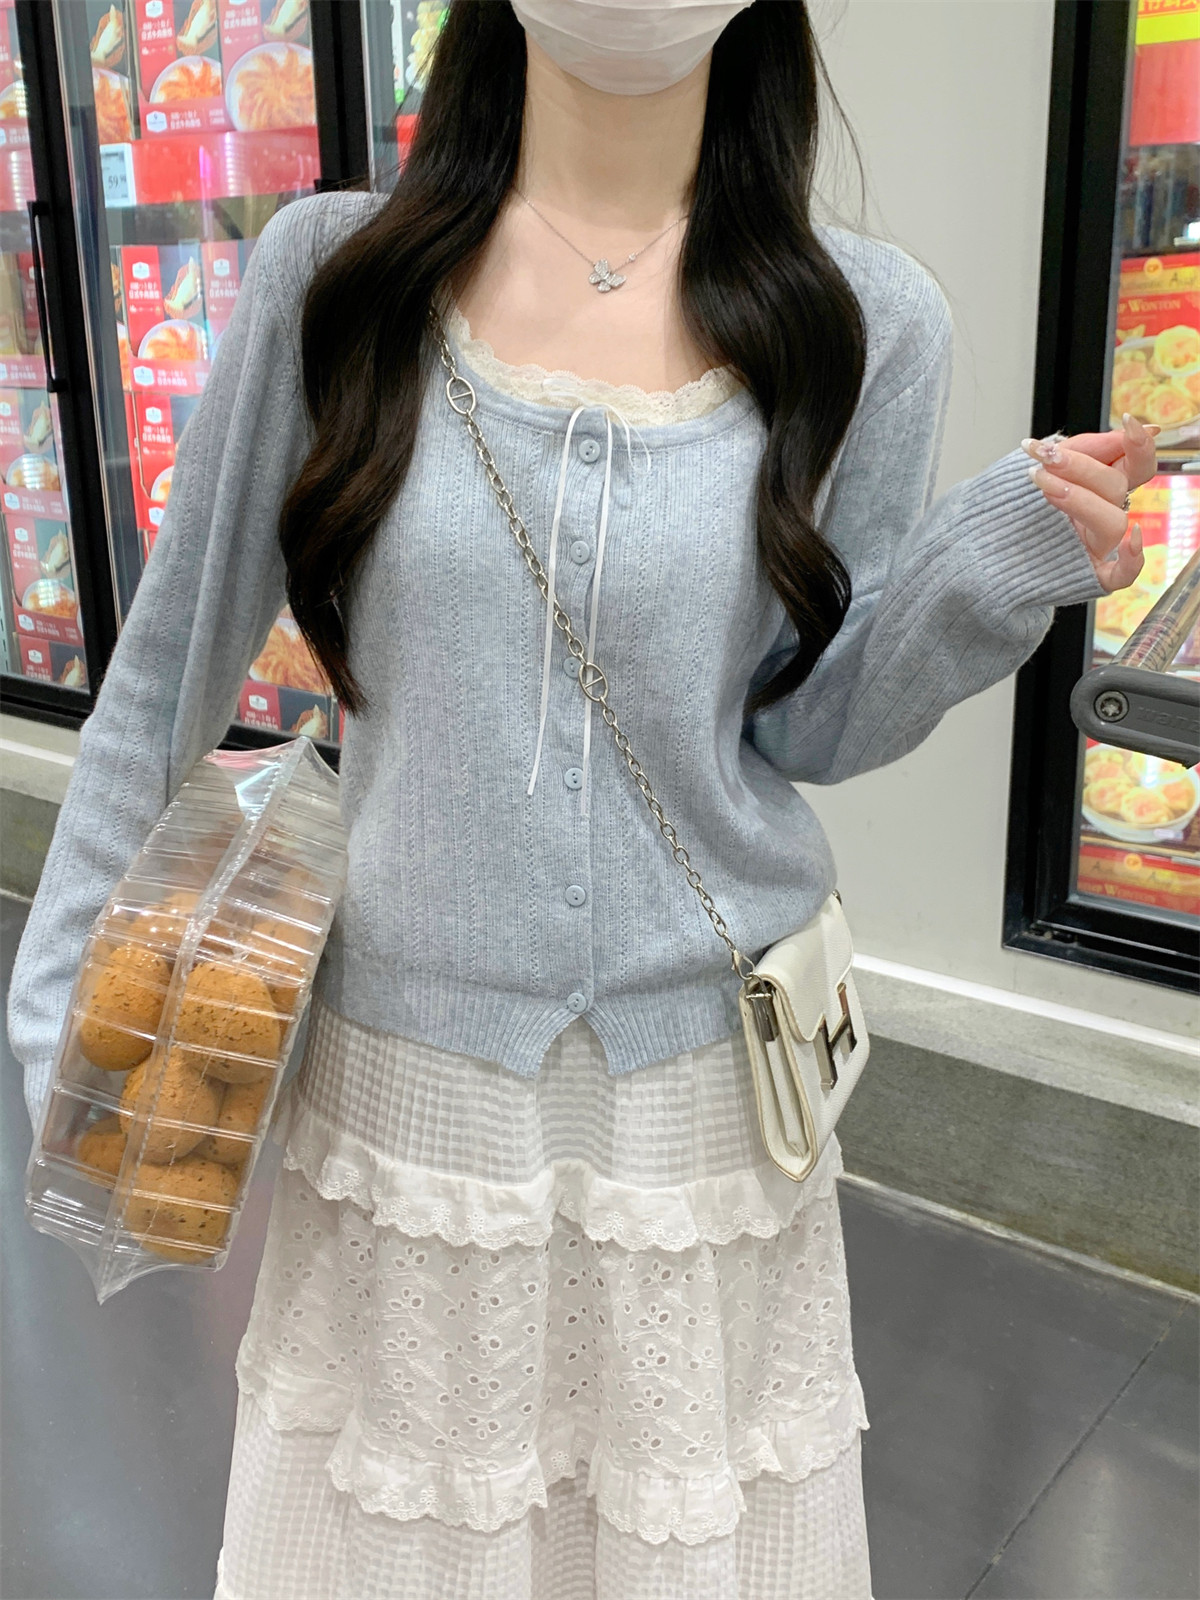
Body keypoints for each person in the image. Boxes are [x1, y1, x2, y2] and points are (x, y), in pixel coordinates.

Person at [8, 3, 1155, 1597]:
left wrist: (984, 571)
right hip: (409, 1100)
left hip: (705, 1116)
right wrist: (64, 1013)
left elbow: (812, 724)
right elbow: (166, 673)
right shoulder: (337, 279)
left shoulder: (860, 318)